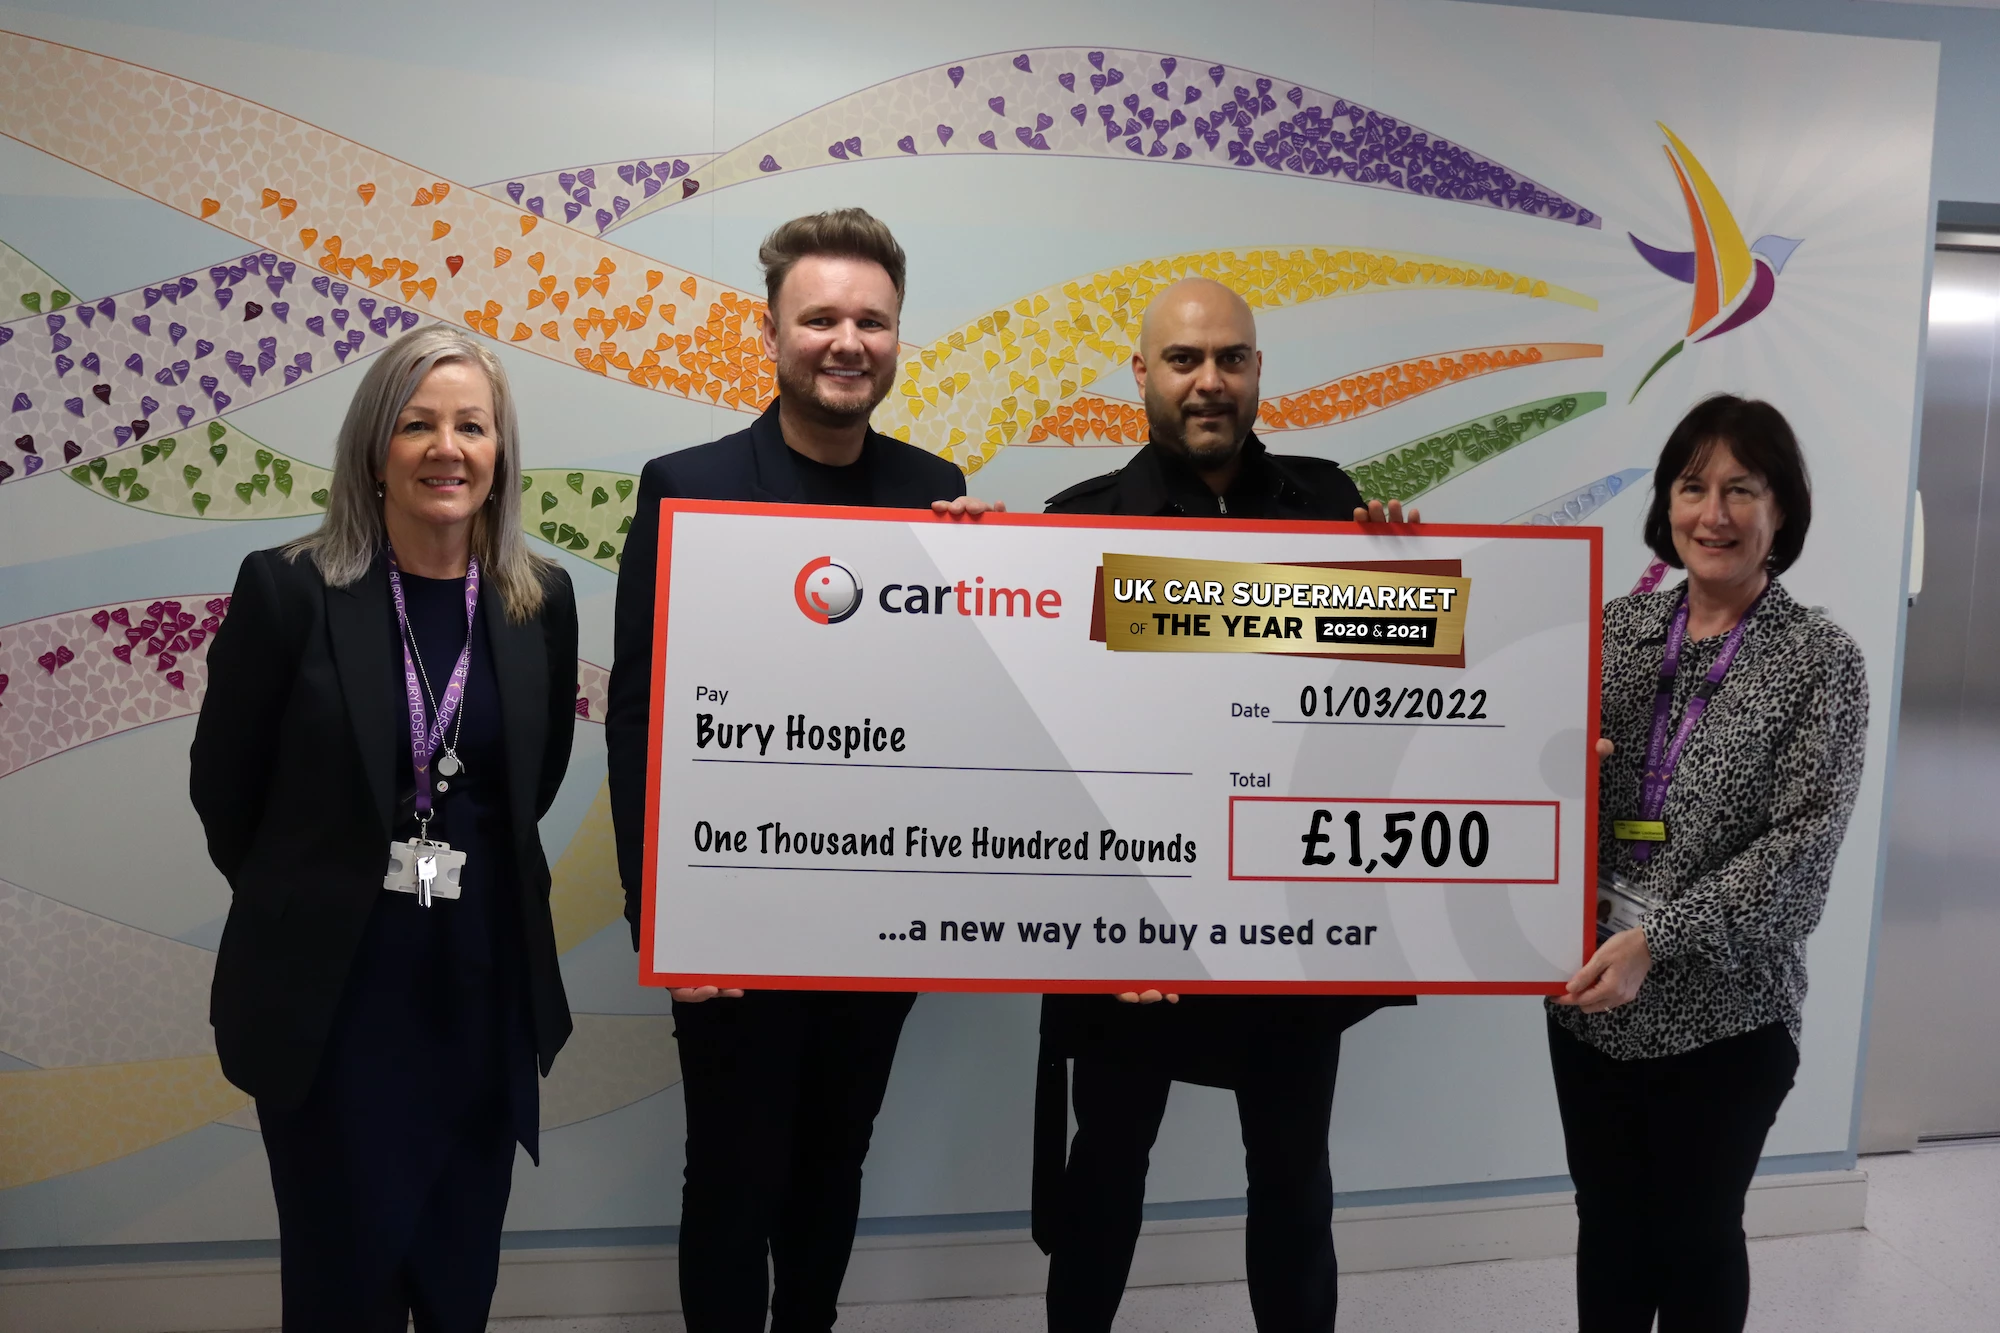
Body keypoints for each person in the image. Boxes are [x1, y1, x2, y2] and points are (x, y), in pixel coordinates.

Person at [606, 207, 999, 1332]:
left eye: (870, 320)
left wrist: (987, 581)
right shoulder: (686, 482)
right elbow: (640, 714)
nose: (846, 340)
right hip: (729, 913)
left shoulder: (938, 489)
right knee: (731, 1172)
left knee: (834, 1159)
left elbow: (958, 713)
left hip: (878, 905)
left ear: (895, 337)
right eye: (820, 316)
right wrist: (662, 917)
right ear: (769, 331)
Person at [1034, 277, 1414, 1333]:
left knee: (1292, 1173)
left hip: (1281, 915)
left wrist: (1408, 575)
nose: (1208, 380)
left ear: (1256, 371)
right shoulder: (1072, 526)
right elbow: (1037, 742)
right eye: (1183, 359)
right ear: (1141, 375)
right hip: (1126, 928)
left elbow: (1383, 705)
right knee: (1103, 1166)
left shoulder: (1336, 509)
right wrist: (973, 564)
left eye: (1230, 358)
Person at [190, 325, 579, 1331]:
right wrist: (314, 890)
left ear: (499, 454)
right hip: (336, 1003)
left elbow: (527, 789)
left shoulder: (541, 600)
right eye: (417, 424)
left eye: (470, 425)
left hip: (481, 995)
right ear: (375, 448)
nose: (446, 448)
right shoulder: (290, 590)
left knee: (458, 1283)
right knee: (342, 1286)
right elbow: (225, 792)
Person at [1549, 394, 1868, 1332]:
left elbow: (1803, 848)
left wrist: (1661, 935)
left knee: (1693, 1232)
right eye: (1693, 487)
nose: (1714, 514)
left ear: (1781, 513)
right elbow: (1529, 775)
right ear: (1666, 504)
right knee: (1607, 1229)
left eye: (1742, 488)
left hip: (1727, 1012)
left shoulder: (1820, 661)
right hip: (1589, 1006)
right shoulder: (1611, 633)